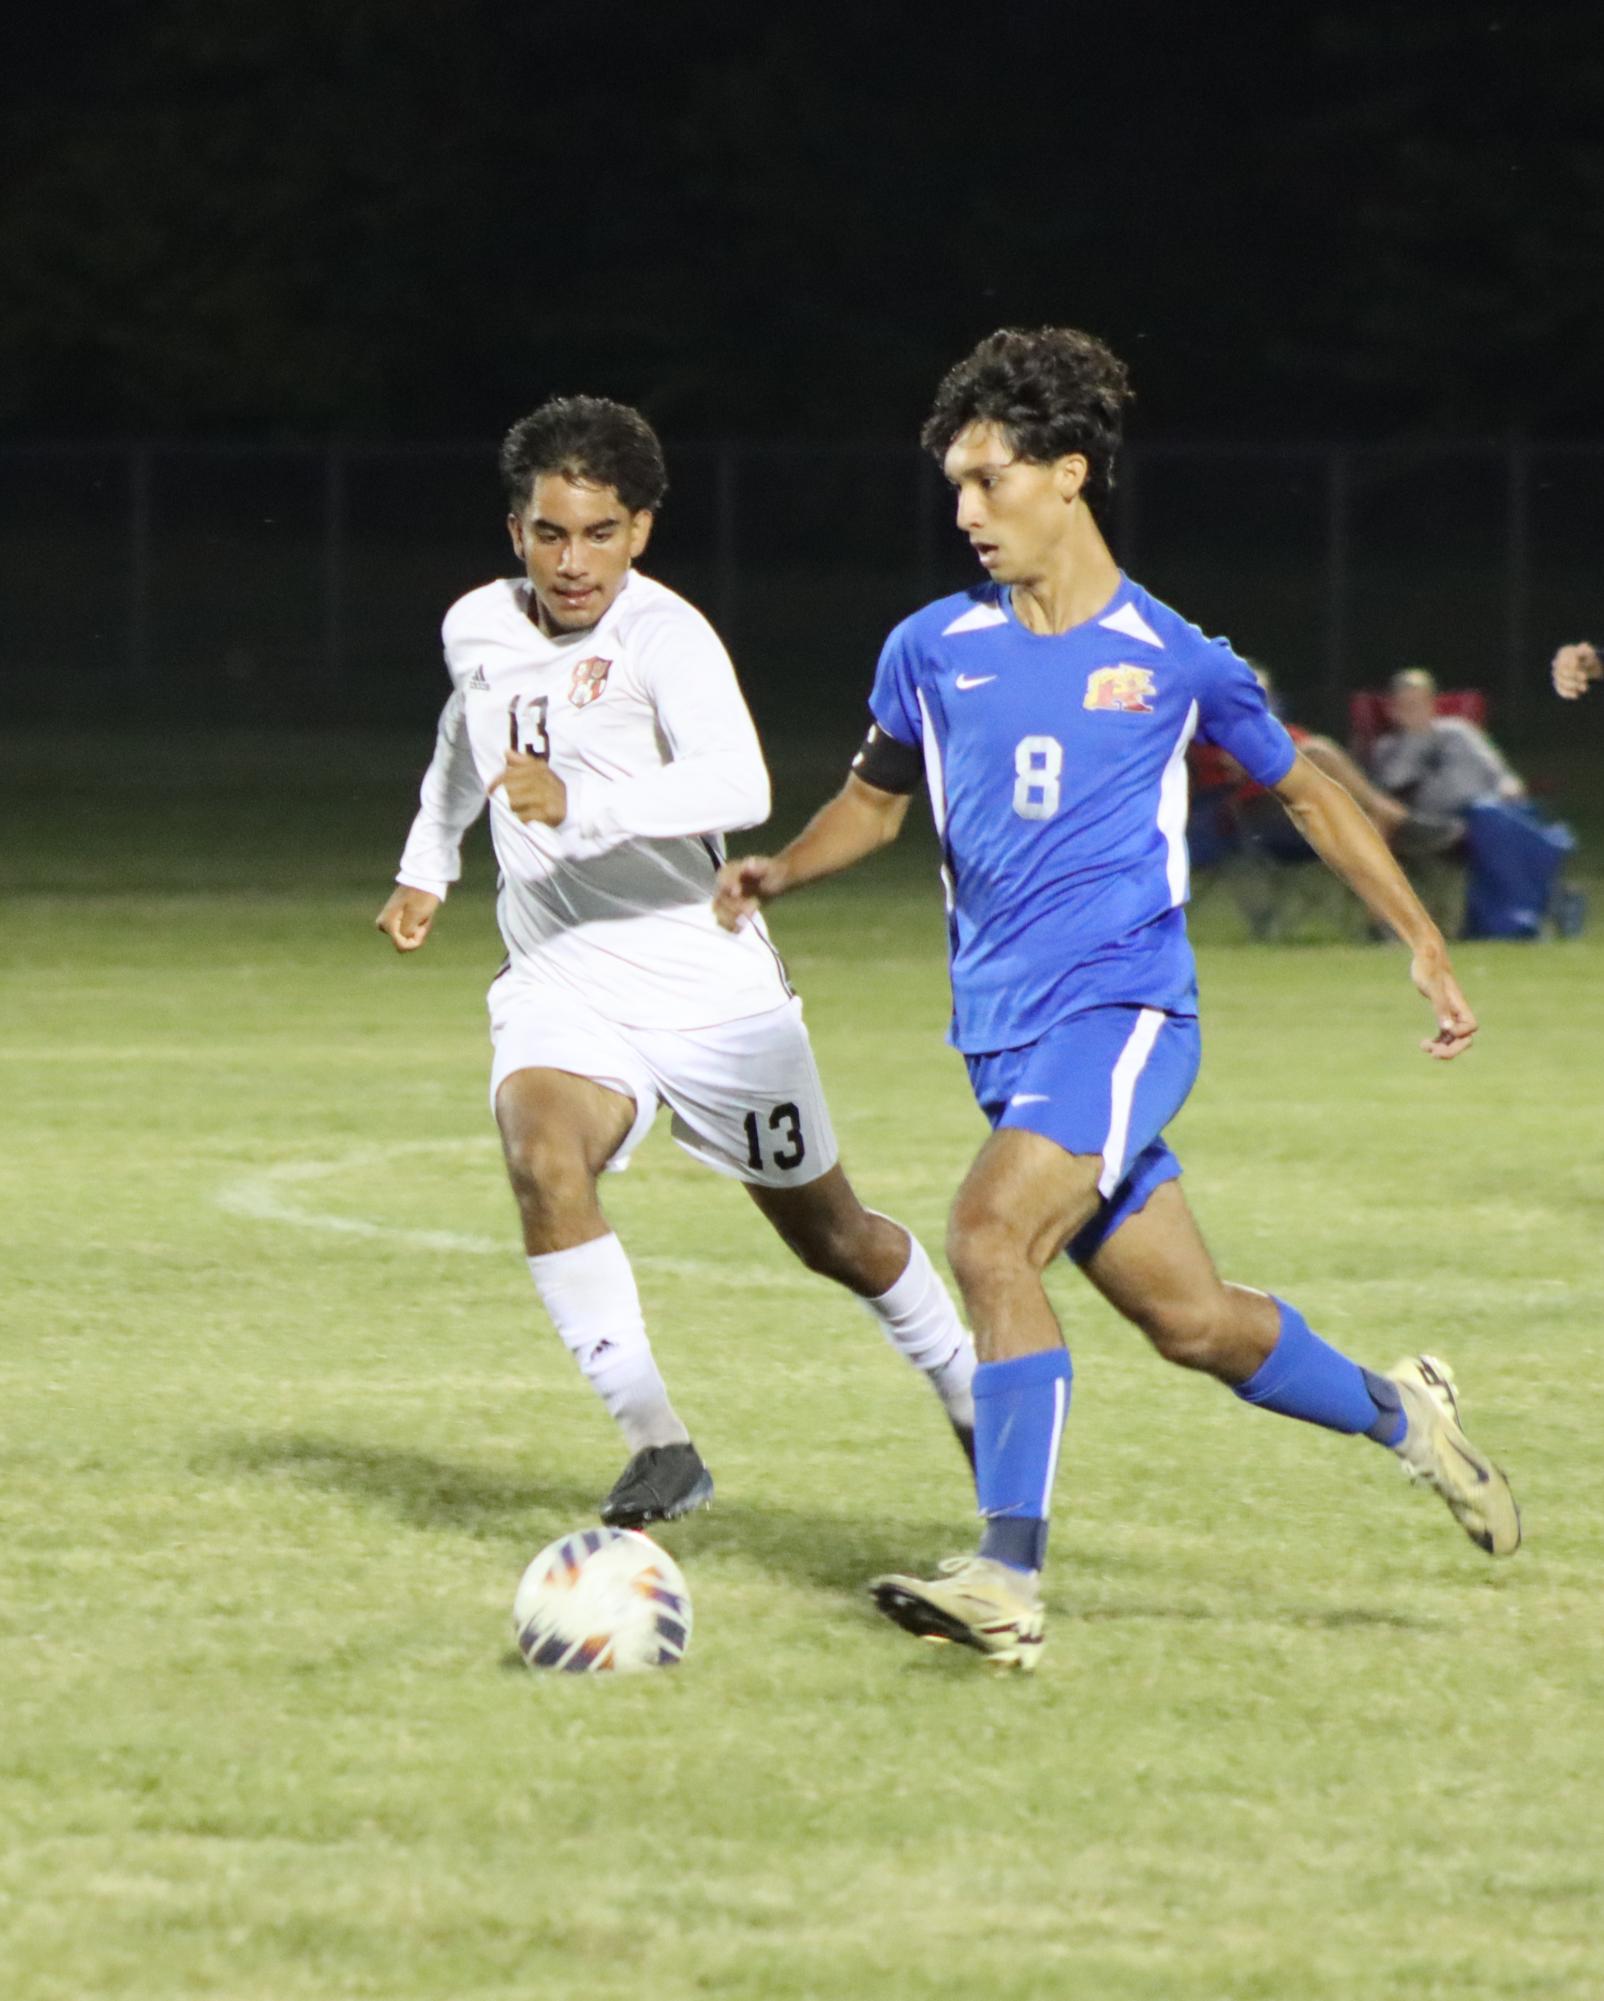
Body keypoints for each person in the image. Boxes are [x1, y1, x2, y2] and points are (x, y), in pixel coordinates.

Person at [714, 328, 1520, 1671]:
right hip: (1006, 1038)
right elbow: (875, 798)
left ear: (1069, 473)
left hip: (1128, 1013)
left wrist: (1421, 938)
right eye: (956, 488)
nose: (966, 512)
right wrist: (783, 869)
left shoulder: (1173, 657)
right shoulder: (929, 647)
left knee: (987, 1235)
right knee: (1192, 1322)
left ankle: (1006, 1578)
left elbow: (1311, 789)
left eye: (990, 481)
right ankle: (1407, 1417)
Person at [376, 395, 976, 1529]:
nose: (572, 562)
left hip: (707, 990)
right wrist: (427, 865)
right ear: (516, 532)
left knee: (834, 1237)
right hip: (559, 972)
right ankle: (660, 1447)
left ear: (639, 530)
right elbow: (468, 734)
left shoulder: (665, 636)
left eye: (599, 533)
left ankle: (962, 1387)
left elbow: (737, 786)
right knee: (543, 1157)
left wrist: (584, 804)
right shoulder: (476, 627)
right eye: (550, 533)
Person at [1369, 668, 1525, 831]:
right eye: (1405, 704)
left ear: (1432, 704)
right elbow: (1390, 786)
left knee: (1495, 815)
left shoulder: (1460, 730)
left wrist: (1509, 786)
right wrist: (1414, 738)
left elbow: (1498, 772)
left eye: (1419, 703)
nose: (1413, 710)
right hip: (1438, 823)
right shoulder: (1388, 747)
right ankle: (1550, 848)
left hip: (1492, 807)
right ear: (1393, 710)